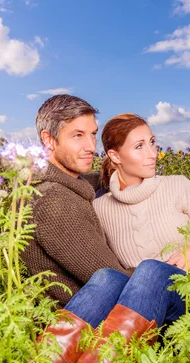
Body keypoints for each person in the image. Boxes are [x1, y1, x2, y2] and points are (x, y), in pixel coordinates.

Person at [46, 113, 190, 363]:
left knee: (150, 269)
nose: (153, 154)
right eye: (139, 146)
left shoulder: (177, 185)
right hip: (149, 314)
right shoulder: (101, 208)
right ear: (115, 156)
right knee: (107, 278)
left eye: (153, 143)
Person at [21, 94, 130, 307]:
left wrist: (117, 172)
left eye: (93, 134)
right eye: (78, 135)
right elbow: (117, 281)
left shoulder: (41, 182)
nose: (91, 146)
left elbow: (82, 182)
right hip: (86, 324)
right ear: (48, 139)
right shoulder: (54, 202)